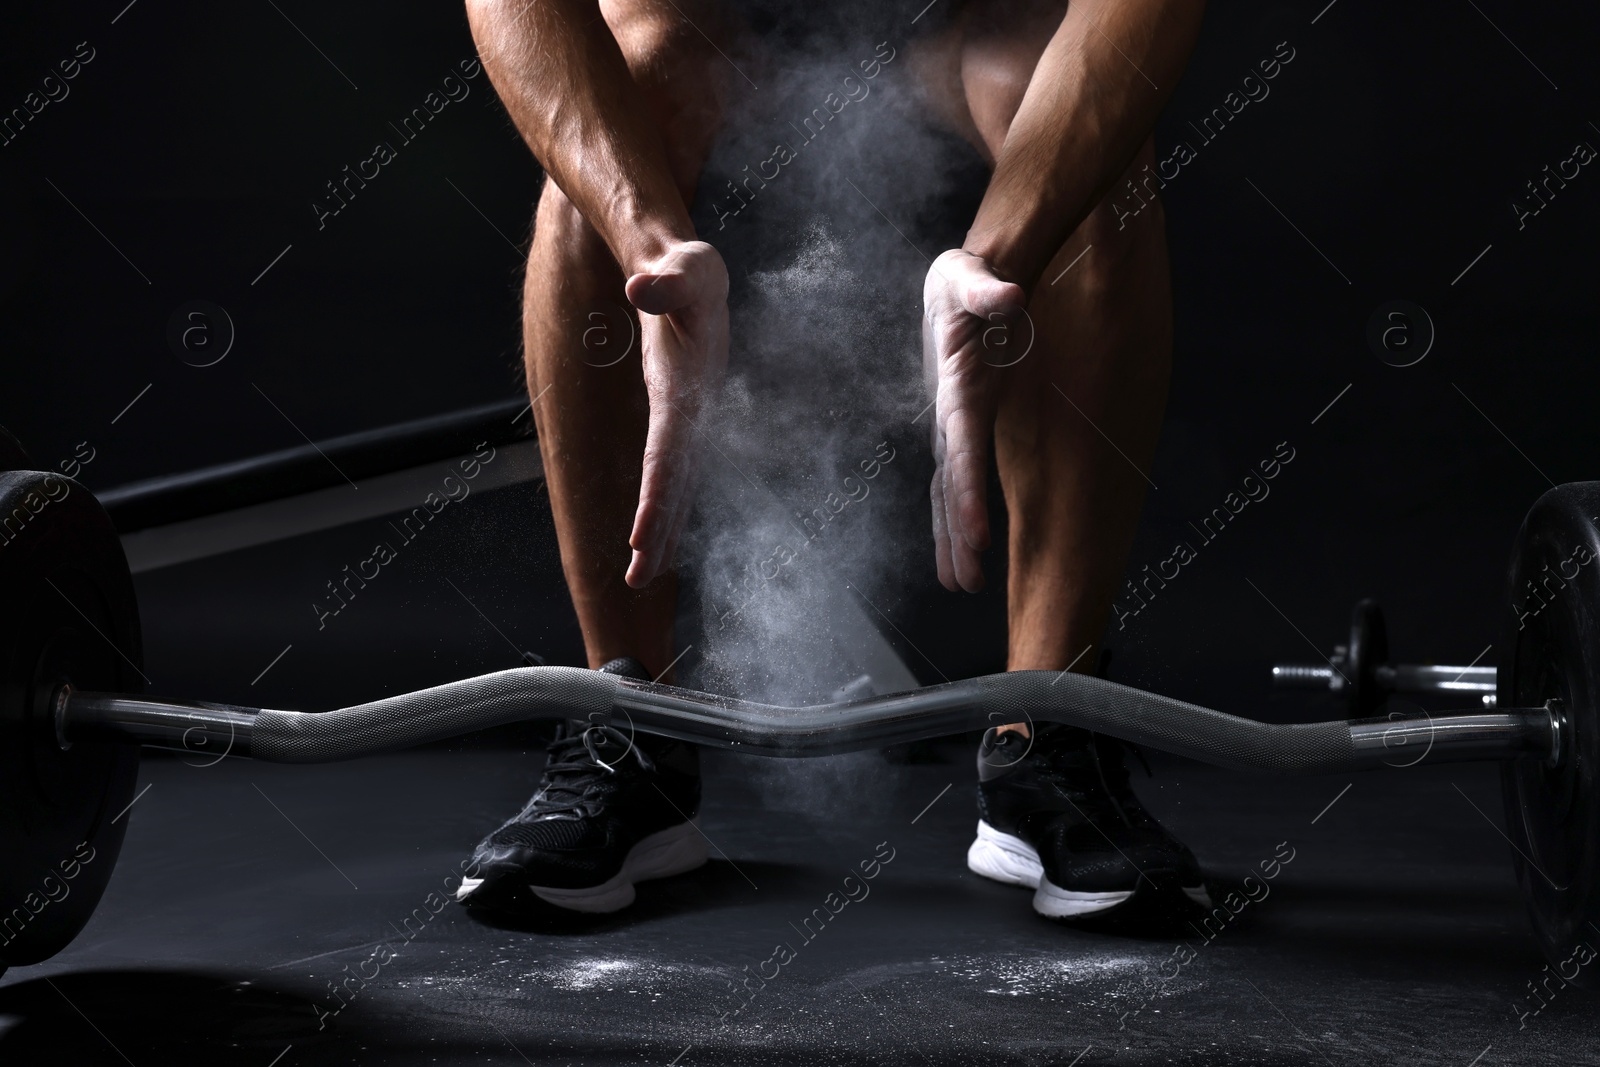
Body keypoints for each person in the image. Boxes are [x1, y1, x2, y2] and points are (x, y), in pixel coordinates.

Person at [454, 0, 1210, 919]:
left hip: (970, 26)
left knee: (1090, 146)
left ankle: (1047, 728)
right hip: (705, 28)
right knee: (621, 100)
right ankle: (630, 725)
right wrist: (645, 242)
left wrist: (997, 253)